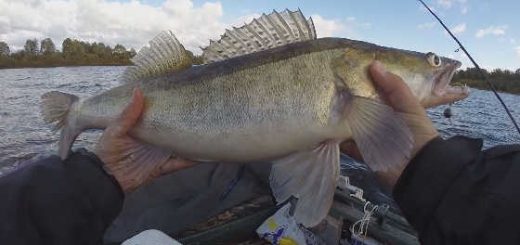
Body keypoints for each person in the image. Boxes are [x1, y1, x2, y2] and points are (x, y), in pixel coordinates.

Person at [0, 61, 518, 244]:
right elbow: (396, 146)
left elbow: (349, 151)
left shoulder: (352, 107)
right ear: (370, 70)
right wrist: (434, 171)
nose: (437, 69)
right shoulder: (358, 98)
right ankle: (78, 114)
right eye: (427, 63)